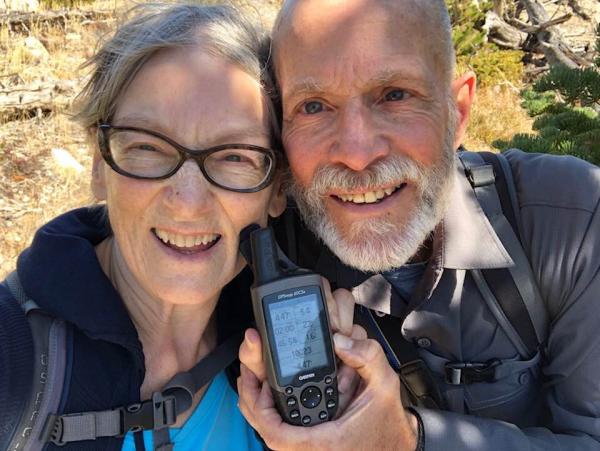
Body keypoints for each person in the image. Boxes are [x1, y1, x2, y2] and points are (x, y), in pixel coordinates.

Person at [237, 0, 600, 449]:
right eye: (314, 106)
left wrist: (406, 440)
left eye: (394, 95)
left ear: (458, 113)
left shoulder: (571, 219)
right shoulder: (244, 249)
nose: (356, 152)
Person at [0, 4, 291, 451]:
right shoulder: (10, 355)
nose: (188, 201)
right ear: (99, 166)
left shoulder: (286, 354)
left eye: (235, 156)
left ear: (276, 192)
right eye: (147, 147)